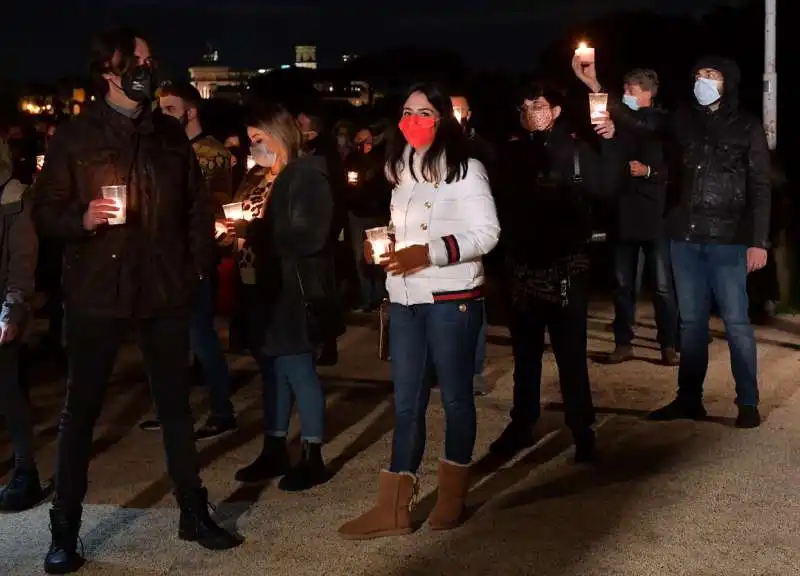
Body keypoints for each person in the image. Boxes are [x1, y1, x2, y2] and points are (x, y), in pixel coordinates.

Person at [32, 28, 240, 574]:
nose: (148, 67)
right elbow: (45, 210)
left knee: (175, 405)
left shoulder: (169, 133)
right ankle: (65, 526)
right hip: (97, 290)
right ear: (110, 70)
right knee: (81, 411)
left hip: (164, 288)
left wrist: (195, 266)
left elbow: (198, 206)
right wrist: (82, 219)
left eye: (150, 59)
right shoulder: (75, 136)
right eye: (138, 60)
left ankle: (193, 512)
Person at [339, 83, 500, 540]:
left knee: (454, 398)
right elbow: (400, 226)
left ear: (444, 117)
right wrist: (385, 248)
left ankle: (451, 497)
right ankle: (393, 508)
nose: (414, 119)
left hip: (452, 298)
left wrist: (430, 253)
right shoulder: (399, 169)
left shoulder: (466, 171)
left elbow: (487, 233)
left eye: (425, 111)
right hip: (405, 298)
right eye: (407, 111)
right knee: (406, 402)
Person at [576, 57, 770, 428]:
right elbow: (639, 121)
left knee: (736, 322)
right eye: (698, 75)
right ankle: (688, 399)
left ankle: (747, 401)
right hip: (684, 235)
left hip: (729, 238)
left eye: (710, 76)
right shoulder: (682, 119)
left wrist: (758, 240)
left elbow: (760, 187)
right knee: (692, 323)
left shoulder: (747, 125)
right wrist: (596, 86)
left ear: (727, 81)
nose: (703, 81)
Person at [488, 82, 623, 463]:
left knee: (570, 355)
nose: (533, 110)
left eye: (541, 104)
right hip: (521, 269)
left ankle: (582, 428)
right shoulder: (511, 153)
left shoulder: (577, 150)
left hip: (566, 269)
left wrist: (611, 140)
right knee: (525, 356)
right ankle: (522, 424)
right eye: (527, 103)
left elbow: (608, 186)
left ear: (558, 110)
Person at [232, 102, 343, 492]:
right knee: (274, 371)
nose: (254, 149)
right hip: (265, 285)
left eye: (258, 140)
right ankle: (275, 446)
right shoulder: (267, 176)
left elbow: (309, 236)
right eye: (250, 142)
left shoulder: (306, 177)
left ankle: (313, 454)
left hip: (293, 288)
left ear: (279, 136)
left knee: (297, 369)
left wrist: (256, 231)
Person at [152, 80, 236, 440]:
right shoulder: (167, 147)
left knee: (202, 336)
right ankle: (173, 410)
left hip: (195, 254)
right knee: (169, 339)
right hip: (165, 255)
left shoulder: (212, 154)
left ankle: (222, 409)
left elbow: (212, 207)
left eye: (171, 109)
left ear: (191, 111)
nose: (164, 116)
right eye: (161, 110)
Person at [580, 66, 679, 366]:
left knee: (662, 286)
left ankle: (669, 344)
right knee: (623, 284)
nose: (625, 96)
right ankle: (623, 342)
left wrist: (649, 171)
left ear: (647, 92)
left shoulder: (662, 122)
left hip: (656, 216)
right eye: (623, 90)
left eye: (630, 90)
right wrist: (608, 135)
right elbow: (610, 149)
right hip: (624, 215)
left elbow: (673, 168)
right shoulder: (622, 124)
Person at [0, 137, 41, 512]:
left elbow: (22, 260)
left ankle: (26, 471)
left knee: (9, 391)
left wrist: (12, 310)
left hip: (3, 307)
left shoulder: (15, 198)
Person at [451, 93, 497, 396]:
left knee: (472, 301)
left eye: (459, 111)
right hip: (440, 232)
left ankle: (475, 368)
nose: (455, 115)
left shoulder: (479, 147)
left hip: (472, 233)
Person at [344, 126, 390, 312]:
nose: (363, 144)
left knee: (379, 257)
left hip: (377, 214)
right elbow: (347, 184)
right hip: (357, 213)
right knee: (360, 258)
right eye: (359, 140)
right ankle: (367, 298)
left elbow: (386, 186)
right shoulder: (352, 159)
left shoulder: (381, 159)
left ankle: (381, 297)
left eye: (366, 140)